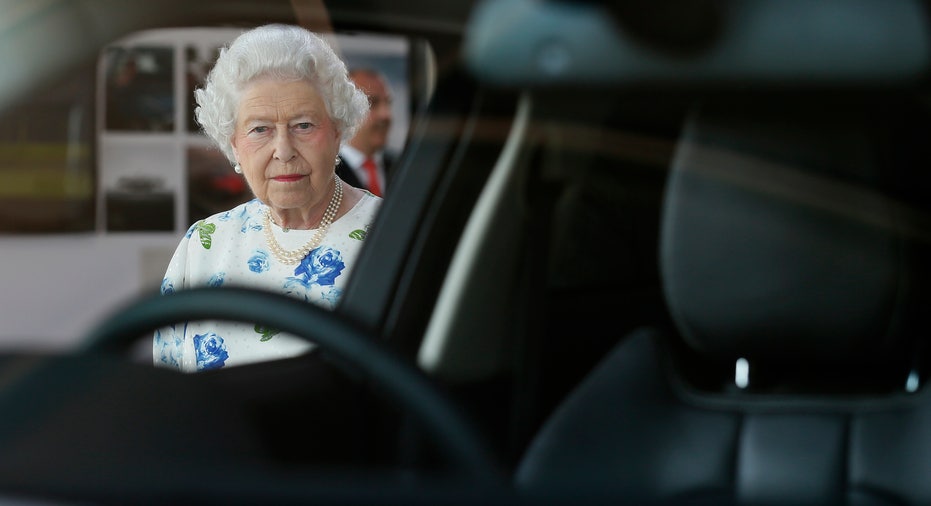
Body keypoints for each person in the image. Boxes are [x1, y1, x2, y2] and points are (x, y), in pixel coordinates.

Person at [153, 24, 380, 372]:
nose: (283, 150)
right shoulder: (203, 246)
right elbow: (167, 390)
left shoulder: (387, 234)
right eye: (260, 129)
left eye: (303, 125)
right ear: (234, 145)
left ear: (337, 132)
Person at [336, 68, 394, 197]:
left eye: (388, 103)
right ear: (344, 110)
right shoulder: (327, 174)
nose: (386, 115)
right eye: (372, 103)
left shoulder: (402, 168)